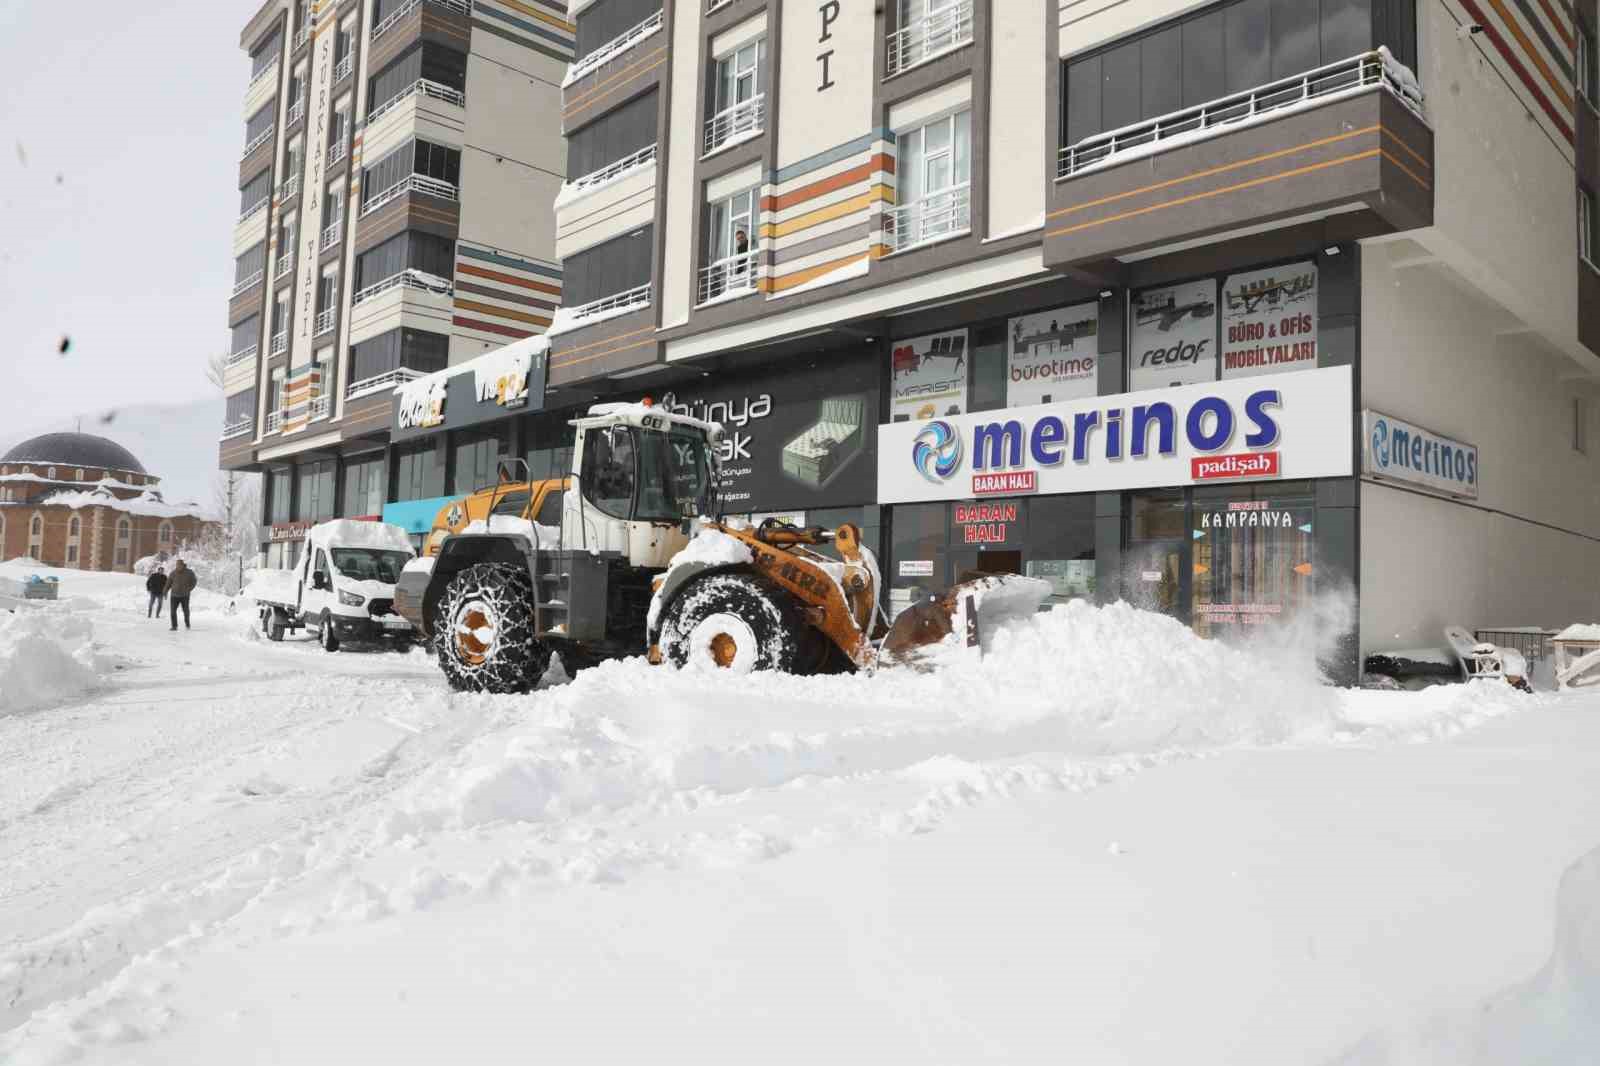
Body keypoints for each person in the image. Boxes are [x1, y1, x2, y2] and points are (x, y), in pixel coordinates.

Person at [167, 559, 197, 631]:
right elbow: (168, 583)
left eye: (180, 565)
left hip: (185, 595)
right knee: (173, 611)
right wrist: (165, 592)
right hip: (174, 595)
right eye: (177, 565)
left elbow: (194, 581)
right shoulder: (173, 573)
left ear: (183, 565)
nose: (178, 566)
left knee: (186, 611)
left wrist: (189, 589)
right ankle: (174, 626)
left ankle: (187, 623)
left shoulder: (189, 572)